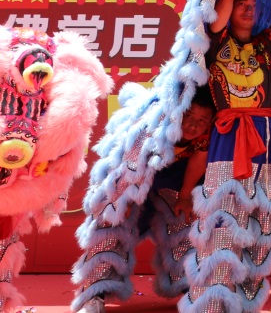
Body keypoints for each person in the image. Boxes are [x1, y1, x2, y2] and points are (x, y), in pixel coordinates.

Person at [185, 0, 271, 313]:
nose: (248, 10)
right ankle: (214, 301)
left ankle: (246, 301)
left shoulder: (268, 44)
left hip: (267, 137)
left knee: (262, 221)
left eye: (255, 5)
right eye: (242, 3)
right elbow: (223, 5)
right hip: (228, 136)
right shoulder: (215, 39)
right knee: (224, 217)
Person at [72, 87, 214, 313]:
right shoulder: (154, 125)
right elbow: (129, 162)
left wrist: (186, 195)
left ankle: (189, 287)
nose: (193, 125)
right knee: (111, 223)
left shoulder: (206, 134)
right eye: (189, 116)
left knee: (184, 221)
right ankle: (94, 295)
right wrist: (124, 198)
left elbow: (199, 159)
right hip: (127, 177)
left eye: (202, 120)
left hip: (172, 179)